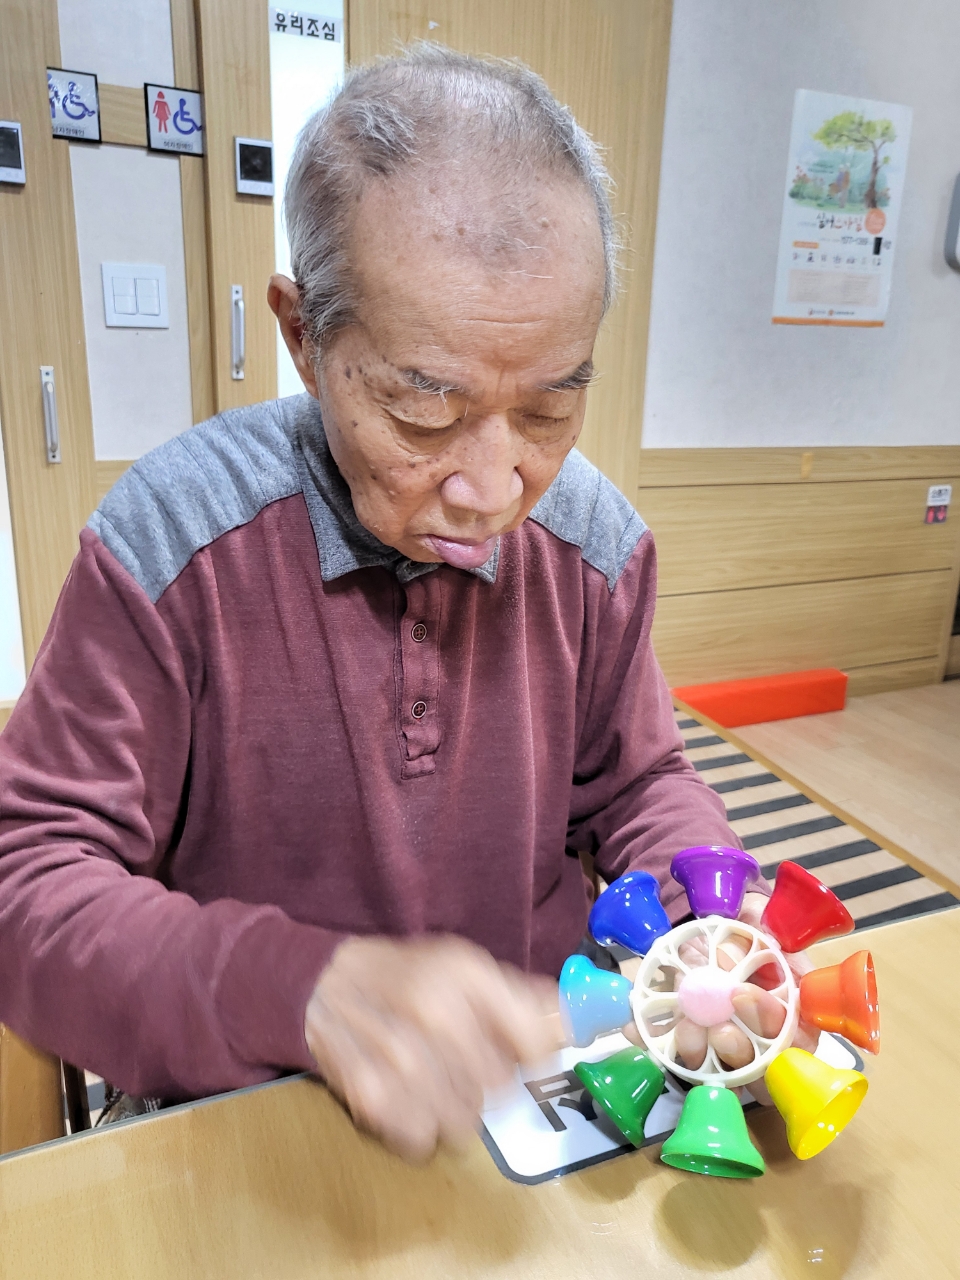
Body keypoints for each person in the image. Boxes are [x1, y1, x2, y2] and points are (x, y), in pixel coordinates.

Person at [0, 47, 810, 1161]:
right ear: (303, 336)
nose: (493, 488)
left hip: (546, 1096)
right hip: (249, 1112)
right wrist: (301, 988)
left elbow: (638, 783)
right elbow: (29, 879)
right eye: (425, 409)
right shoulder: (171, 542)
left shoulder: (594, 545)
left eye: (547, 409)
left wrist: (707, 925)